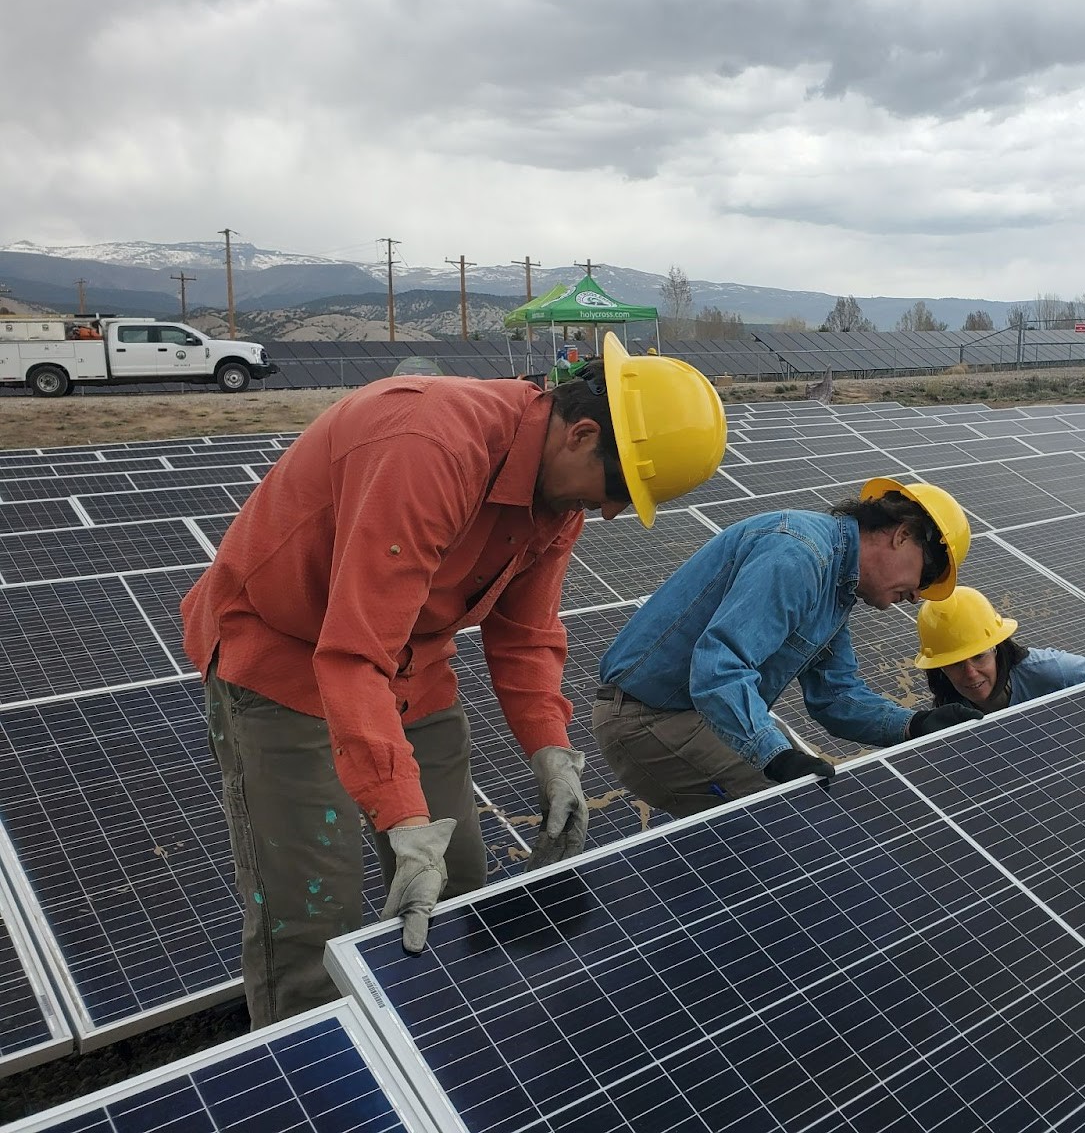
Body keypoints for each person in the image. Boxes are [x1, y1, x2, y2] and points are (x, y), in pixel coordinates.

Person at [180, 331, 726, 1027]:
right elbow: (351, 657)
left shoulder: (557, 499)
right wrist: (402, 818)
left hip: (412, 664)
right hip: (285, 659)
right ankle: (312, 1078)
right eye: (619, 489)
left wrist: (552, 753)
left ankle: (440, 1061)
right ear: (580, 433)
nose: (614, 511)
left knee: (457, 884)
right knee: (319, 919)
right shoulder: (429, 449)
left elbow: (525, 636)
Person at [593, 478, 980, 818]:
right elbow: (719, 668)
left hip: (693, 716)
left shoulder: (836, 585)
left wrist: (913, 724)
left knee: (801, 795)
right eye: (926, 575)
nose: (917, 596)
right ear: (903, 534)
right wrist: (776, 758)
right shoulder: (799, 553)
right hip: (648, 718)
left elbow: (835, 696)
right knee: (794, 811)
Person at [916, 586, 1085, 713]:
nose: (971, 673)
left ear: (997, 649)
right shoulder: (948, 708)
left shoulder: (1045, 670)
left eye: (979, 656)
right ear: (940, 668)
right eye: (955, 663)